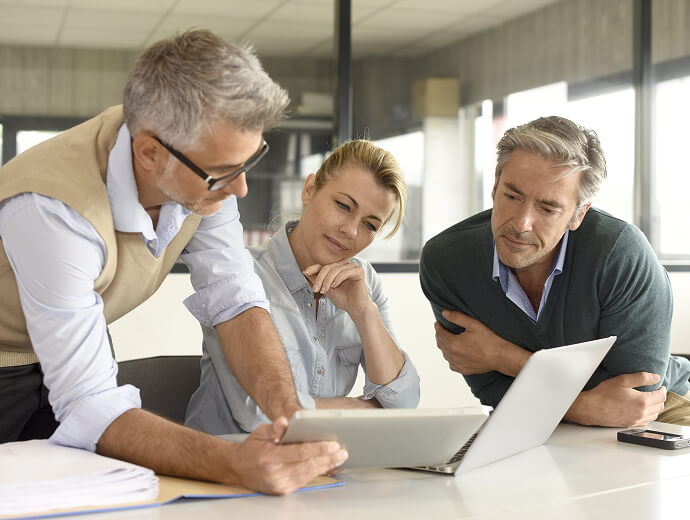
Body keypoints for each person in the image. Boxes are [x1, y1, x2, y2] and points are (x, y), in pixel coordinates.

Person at [0, 29, 347, 495]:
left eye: (248, 163)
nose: (240, 190)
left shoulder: (200, 167)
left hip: (61, 350)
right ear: (149, 153)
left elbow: (236, 302)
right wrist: (234, 463)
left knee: (81, 495)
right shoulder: (54, 208)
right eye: (225, 173)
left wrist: (292, 416)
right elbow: (90, 403)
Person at [420, 115, 690, 428]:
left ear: (579, 214)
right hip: (539, 417)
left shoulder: (619, 253)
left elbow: (632, 396)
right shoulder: (447, 262)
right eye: (512, 195)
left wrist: (505, 358)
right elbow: (491, 388)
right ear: (495, 184)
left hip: (663, 410)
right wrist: (582, 407)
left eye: (547, 209)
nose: (521, 223)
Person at [186, 140, 420, 434]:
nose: (351, 231)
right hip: (224, 467)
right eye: (343, 206)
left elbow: (404, 404)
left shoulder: (365, 283)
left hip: (319, 465)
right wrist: (364, 408)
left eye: (370, 225)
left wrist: (363, 312)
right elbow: (262, 414)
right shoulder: (243, 277)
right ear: (309, 189)